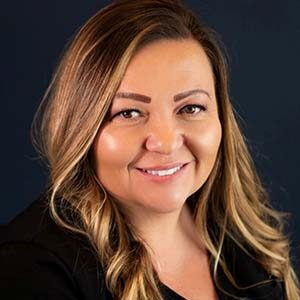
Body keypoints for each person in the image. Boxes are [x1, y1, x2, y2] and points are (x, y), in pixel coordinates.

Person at [1, 0, 299, 299]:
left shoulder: (241, 235)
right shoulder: (32, 269)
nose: (166, 142)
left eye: (191, 107)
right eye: (129, 113)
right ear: (82, 129)